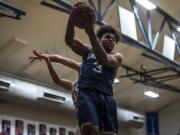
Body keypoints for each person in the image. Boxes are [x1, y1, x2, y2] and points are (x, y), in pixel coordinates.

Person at [65, 4, 123, 135]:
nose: (111, 40)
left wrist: (90, 33)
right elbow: (69, 40)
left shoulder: (117, 56)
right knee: (90, 130)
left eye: (114, 40)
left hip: (106, 96)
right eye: (108, 37)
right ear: (100, 39)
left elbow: (105, 60)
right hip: (87, 92)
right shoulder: (87, 51)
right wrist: (71, 20)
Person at [29, 50, 81, 135]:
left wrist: (48, 57)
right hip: (81, 122)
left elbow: (58, 59)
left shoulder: (93, 84)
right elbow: (57, 80)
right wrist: (47, 60)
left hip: (95, 120)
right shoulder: (74, 85)